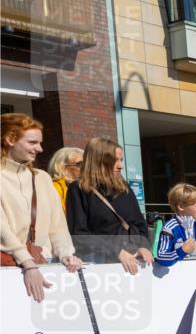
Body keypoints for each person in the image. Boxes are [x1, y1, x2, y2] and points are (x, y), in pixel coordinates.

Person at [1, 113, 81, 302]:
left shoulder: (42, 178)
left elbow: (57, 225)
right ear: (10, 139)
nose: (40, 148)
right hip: (8, 269)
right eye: (32, 142)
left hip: (42, 267)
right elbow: (2, 229)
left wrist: (66, 254)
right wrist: (27, 263)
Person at [66, 137, 151, 274]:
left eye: (121, 160)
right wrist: (116, 251)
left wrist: (143, 246)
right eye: (114, 161)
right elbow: (80, 234)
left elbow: (140, 224)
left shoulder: (124, 187)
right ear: (98, 161)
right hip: (100, 265)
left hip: (133, 261)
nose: (120, 166)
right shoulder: (78, 189)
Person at [47, 146, 83, 214]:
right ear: (61, 167)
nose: (86, 168)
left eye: (87, 164)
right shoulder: (55, 189)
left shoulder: (82, 188)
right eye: (80, 164)